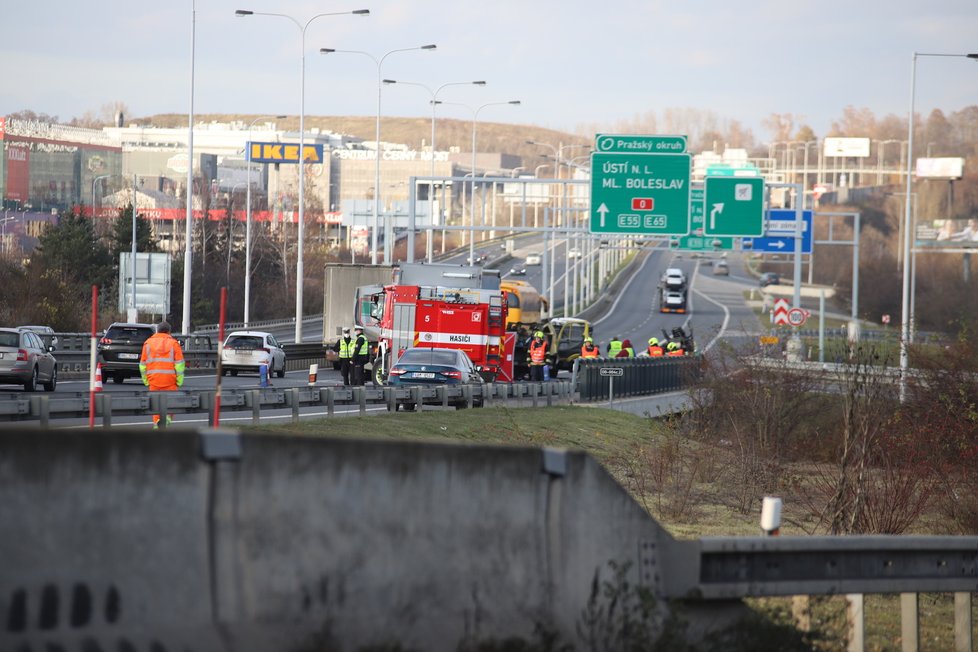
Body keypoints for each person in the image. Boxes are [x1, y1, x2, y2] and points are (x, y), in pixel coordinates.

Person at [139, 320, 185, 429]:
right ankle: (166, 421)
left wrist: (146, 381)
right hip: (170, 381)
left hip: (154, 381)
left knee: (156, 406)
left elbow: (142, 365)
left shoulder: (147, 343)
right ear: (169, 332)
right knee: (171, 405)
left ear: (157, 330)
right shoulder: (174, 343)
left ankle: (157, 427)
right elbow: (179, 365)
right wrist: (179, 381)